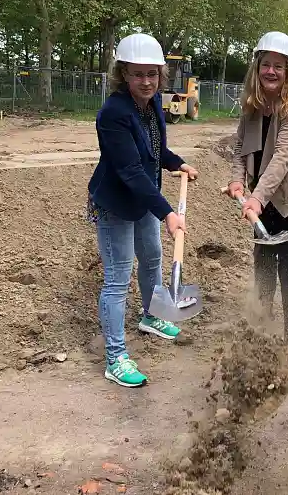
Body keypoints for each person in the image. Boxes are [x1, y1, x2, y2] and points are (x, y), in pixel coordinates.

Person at [87, 33, 199, 388]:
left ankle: (151, 315)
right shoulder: (113, 114)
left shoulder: (152, 106)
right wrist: (167, 212)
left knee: (152, 259)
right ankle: (115, 357)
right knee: (118, 279)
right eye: (138, 74)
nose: (146, 81)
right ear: (124, 74)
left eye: (152, 74)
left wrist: (177, 163)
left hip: (144, 199)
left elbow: (156, 151)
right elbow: (131, 170)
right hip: (116, 204)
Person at [226, 31, 288, 342]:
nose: (271, 71)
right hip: (263, 195)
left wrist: (256, 198)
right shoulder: (251, 107)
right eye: (266, 64)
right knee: (263, 258)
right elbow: (240, 148)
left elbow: (282, 158)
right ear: (257, 68)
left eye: (278, 66)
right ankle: (261, 323)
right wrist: (238, 179)